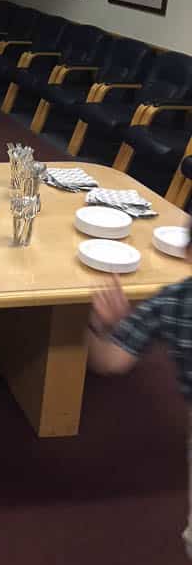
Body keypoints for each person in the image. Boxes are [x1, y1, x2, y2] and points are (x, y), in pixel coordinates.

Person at [87, 229, 192, 558]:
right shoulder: (173, 302)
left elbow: (109, 361)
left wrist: (99, 326)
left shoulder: (174, 302)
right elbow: (111, 361)